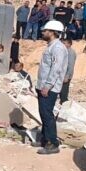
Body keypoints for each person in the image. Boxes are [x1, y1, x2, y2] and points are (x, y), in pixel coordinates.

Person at [34, 20, 68, 155]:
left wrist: (47, 86)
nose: (43, 32)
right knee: (43, 113)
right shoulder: (51, 46)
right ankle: (44, 139)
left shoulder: (58, 48)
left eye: (45, 31)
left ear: (52, 32)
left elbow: (56, 69)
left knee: (47, 115)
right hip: (43, 85)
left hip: (49, 87)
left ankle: (52, 143)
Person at [60, 38, 76, 104]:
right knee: (61, 90)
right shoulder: (65, 51)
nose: (62, 45)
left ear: (69, 44)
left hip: (66, 75)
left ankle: (65, 103)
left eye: (64, 43)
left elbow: (70, 65)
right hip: (63, 74)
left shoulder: (71, 52)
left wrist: (67, 76)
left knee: (64, 91)